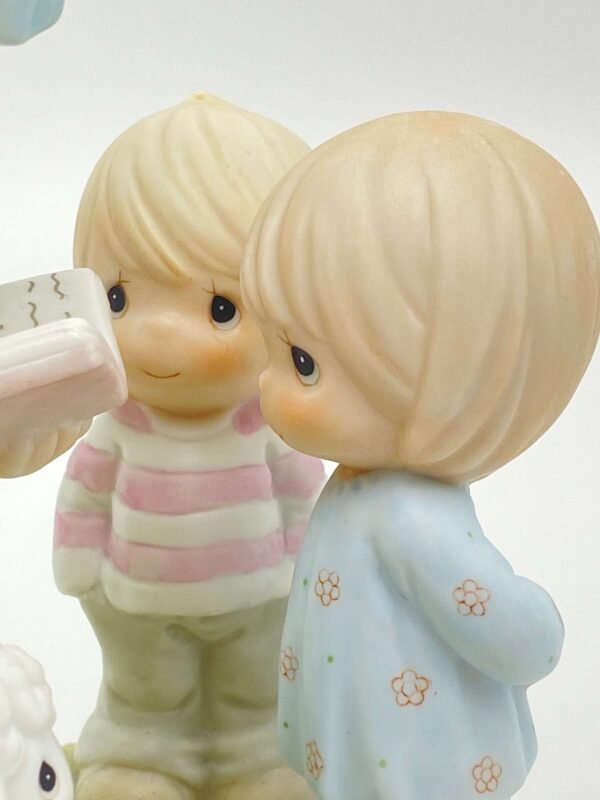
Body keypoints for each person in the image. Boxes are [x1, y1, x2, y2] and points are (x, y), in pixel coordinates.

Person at [240, 111, 600, 799]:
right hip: (357, 747)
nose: (266, 386)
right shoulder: (355, 484)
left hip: (415, 765)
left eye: (303, 363)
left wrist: (540, 625)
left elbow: (511, 633)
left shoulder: (411, 520)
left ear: (441, 380)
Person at [54, 93, 323, 800]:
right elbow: (86, 492)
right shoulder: (117, 423)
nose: (156, 336)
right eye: (118, 299)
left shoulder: (271, 427)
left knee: (255, 689)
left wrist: (303, 573)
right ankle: (138, 761)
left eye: (220, 308)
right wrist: (80, 568)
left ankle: (256, 761)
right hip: (136, 601)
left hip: (258, 598)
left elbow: (304, 502)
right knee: (146, 692)